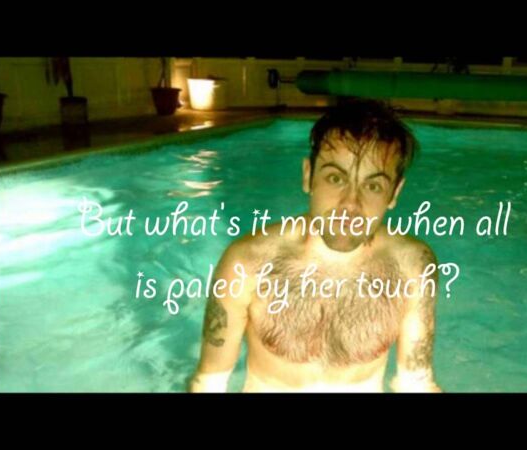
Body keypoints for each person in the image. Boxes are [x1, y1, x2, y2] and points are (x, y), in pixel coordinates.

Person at [189, 99, 442, 393]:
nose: (351, 204)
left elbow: (416, 382)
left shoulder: (413, 267)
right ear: (308, 176)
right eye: (336, 178)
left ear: (394, 194)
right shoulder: (246, 263)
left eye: (373, 186)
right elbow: (210, 381)